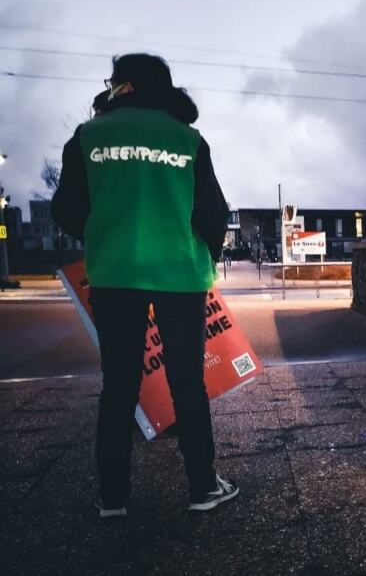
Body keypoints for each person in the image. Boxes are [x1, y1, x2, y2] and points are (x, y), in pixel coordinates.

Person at [52, 53, 237, 517]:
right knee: (187, 385)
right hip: (180, 273)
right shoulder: (188, 140)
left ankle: (113, 497)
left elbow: (65, 208)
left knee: (118, 385)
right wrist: (202, 254)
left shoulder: (87, 137)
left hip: (115, 273)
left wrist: (103, 235)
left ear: (125, 87)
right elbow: (213, 213)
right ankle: (201, 488)